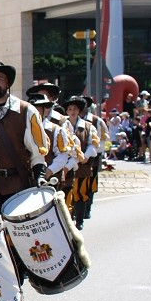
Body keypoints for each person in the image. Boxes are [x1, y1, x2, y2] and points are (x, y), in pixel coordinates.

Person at [0, 62, 49, 206]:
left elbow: (37, 152)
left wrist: (40, 175)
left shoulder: (27, 111)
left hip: (19, 186)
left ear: (7, 82)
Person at [62, 96, 100, 230]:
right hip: (66, 166)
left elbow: (93, 144)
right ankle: (68, 219)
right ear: (66, 111)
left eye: (75, 109)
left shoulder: (88, 127)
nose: (72, 111)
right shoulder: (62, 125)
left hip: (82, 165)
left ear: (79, 111)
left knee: (80, 192)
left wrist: (85, 155)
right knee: (67, 192)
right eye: (70, 109)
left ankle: (79, 220)